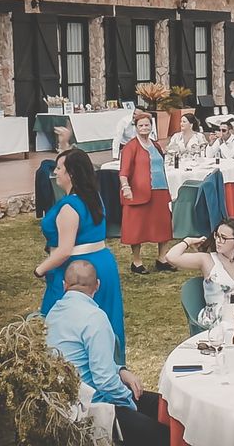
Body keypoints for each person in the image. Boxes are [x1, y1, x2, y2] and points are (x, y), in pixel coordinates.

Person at [45, 261, 169, 446]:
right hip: (92, 408)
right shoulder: (94, 318)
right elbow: (105, 381)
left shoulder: (53, 313)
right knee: (164, 435)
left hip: (63, 402)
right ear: (97, 285)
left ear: (64, 285)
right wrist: (130, 406)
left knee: (162, 405)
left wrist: (120, 370)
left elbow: (85, 359)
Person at [35, 149, 126, 364]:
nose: (55, 172)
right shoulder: (93, 198)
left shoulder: (69, 207)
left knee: (62, 322)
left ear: (71, 174)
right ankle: (109, 365)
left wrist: (40, 269)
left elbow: (65, 249)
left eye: (59, 168)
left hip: (78, 270)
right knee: (104, 316)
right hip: (102, 263)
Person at [165, 219, 234, 315]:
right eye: (217, 235)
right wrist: (188, 241)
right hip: (216, 319)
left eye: (223, 238)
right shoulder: (207, 260)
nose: (218, 240)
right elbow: (171, 257)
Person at [119, 112, 174, 275]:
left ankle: (162, 258)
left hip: (160, 190)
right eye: (141, 125)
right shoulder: (130, 147)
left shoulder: (156, 145)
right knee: (137, 227)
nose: (144, 128)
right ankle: (136, 261)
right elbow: (123, 171)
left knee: (163, 225)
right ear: (135, 128)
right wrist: (126, 187)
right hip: (139, 193)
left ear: (151, 126)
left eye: (147, 125)